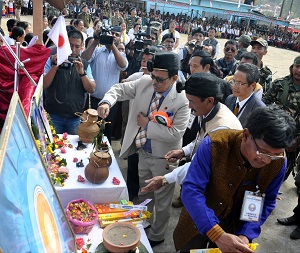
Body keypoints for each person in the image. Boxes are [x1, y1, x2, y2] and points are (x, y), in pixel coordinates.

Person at [97, 51, 189, 247]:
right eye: (152, 75)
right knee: (144, 192)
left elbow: (176, 133)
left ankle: (157, 235)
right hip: (143, 152)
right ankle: (144, 223)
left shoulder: (182, 99)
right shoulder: (144, 83)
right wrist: (106, 102)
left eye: (160, 79)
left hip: (164, 158)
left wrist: (147, 124)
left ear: (174, 78)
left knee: (163, 201)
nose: (154, 82)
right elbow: (119, 89)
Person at [173, 105, 296, 252]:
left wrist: (245, 234)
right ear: (245, 135)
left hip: (235, 225)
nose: (267, 161)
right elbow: (191, 190)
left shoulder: (278, 161)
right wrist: (216, 234)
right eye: (262, 152)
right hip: (198, 218)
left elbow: (267, 200)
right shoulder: (215, 144)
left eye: (274, 155)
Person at [141, 72, 242, 195]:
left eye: (192, 101)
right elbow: (201, 138)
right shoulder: (208, 110)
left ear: (209, 100)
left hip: (219, 186)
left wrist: (165, 179)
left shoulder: (221, 130)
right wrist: (184, 151)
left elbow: (199, 164)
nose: (189, 106)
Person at [81, 25, 128, 144]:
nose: (113, 36)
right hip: (94, 100)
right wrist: (96, 40)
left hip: (110, 103)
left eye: (116, 35)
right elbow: (84, 59)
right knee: (89, 131)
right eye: (111, 33)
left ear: (119, 38)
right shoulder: (97, 51)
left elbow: (123, 66)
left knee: (107, 134)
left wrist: (112, 45)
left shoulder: (120, 54)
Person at [43, 30, 96, 134]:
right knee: (53, 147)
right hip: (53, 115)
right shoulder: (51, 60)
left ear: (82, 46)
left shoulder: (84, 64)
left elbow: (92, 89)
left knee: (72, 148)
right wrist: (55, 66)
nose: (73, 50)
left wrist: (82, 73)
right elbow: (44, 85)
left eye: (77, 46)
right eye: (70, 45)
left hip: (75, 117)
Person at [225, 63, 265, 127]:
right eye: (234, 81)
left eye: (240, 83)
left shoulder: (259, 110)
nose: (235, 86)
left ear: (253, 85)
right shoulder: (229, 99)